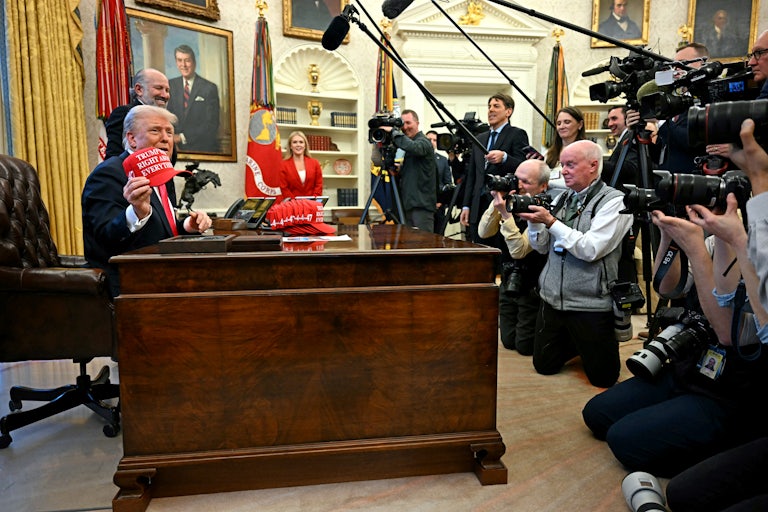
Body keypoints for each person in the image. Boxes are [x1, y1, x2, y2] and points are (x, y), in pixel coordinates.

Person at [582, 187, 768, 478]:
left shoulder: (756, 256)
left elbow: (728, 333)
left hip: (730, 390)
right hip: (690, 364)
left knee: (625, 441)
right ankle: (676, 414)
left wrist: (698, 246)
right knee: (598, 415)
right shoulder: (715, 239)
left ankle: (733, 449)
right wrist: (669, 236)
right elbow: (668, 288)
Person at [516, 140, 632, 387]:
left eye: (570, 164)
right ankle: (574, 340)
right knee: (543, 366)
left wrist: (549, 221)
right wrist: (534, 222)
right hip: (551, 298)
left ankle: (582, 341)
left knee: (604, 379)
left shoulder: (615, 202)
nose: (563, 170)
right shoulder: (563, 198)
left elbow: (590, 249)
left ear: (593, 166)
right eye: (563, 165)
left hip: (589, 302)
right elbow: (542, 247)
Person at [82, 105, 212, 297]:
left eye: (169, 132)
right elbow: (104, 236)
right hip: (129, 285)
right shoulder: (109, 173)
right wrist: (136, 212)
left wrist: (186, 226)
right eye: (155, 130)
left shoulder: (163, 175)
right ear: (132, 139)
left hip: (165, 275)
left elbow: (157, 230)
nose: (166, 138)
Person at [477, 159, 550, 354]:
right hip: (509, 276)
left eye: (525, 182)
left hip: (531, 285)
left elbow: (519, 250)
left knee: (524, 347)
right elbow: (484, 232)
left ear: (543, 187)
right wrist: (496, 203)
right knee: (508, 342)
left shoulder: (543, 210)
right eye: (516, 179)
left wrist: (506, 216)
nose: (518, 185)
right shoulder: (509, 201)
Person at [460, 93, 529, 243]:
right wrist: (466, 206)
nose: (491, 110)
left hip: (500, 209)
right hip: (477, 208)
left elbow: (523, 168)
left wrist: (505, 158)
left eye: (496, 106)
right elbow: (471, 175)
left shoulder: (517, 134)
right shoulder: (480, 139)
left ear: (508, 111)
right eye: (489, 106)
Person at [647, 43, 710, 174]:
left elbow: (692, 142)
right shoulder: (677, 101)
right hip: (669, 183)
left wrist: (662, 120)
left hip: (694, 182)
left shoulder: (709, 99)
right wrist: (643, 134)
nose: (676, 69)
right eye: (674, 65)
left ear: (702, 64)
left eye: (682, 63)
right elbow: (661, 153)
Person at [381, 109, 437, 231]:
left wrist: (393, 133)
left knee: (423, 246)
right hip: (408, 206)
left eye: (408, 123)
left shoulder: (424, 142)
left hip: (421, 208)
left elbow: (414, 148)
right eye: (402, 124)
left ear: (417, 123)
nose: (405, 127)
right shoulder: (408, 146)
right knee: (410, 246)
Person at [104, 68, 171, 160]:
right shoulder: (124, 113)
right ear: (139, 89)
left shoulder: (165, 119)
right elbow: (114, 156)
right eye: (158, 88)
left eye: (167, 90)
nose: (165, 95)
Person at [167, 44, 221, 154]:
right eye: (179, 60)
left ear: (194, 62)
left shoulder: (209, 88)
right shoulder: (171, 85)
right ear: (176, 63)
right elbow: (168, 116)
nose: (183, 65)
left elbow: (212, 124)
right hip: (174, 150)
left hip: (202, 149)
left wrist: (182, 137)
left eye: (187, 60)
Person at [545, 106, 586, 194]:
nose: (562, 126)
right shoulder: (549, 154)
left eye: (567, 122)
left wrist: (550, 183)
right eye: (558, 123)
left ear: (580, 124)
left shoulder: (587, 152)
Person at [600, 105, 640, 192]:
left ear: (627, 119)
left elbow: (631, 168)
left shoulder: (632, 138)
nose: (610, 124)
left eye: (614, 119)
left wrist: (597, 164)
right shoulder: (624, 139)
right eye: (608, 120)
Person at [280, 131, 323, 199]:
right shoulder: (283, 165)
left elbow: (319, 185)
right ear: (290, 146)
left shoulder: (315, 163)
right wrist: (296, 204)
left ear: (305, 145)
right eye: (294, 142)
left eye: (301, 142)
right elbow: (284, 188)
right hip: (292, 205)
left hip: (311, 205)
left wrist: (312, 201)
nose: (298, 145)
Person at [427, 130, 453, 234]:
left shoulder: (443, 160)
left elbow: (448, 183)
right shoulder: (416, 158)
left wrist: (441, 202)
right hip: (422, 205)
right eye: (429, 139)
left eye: (435, 140)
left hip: (438, 207)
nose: (432, 142)